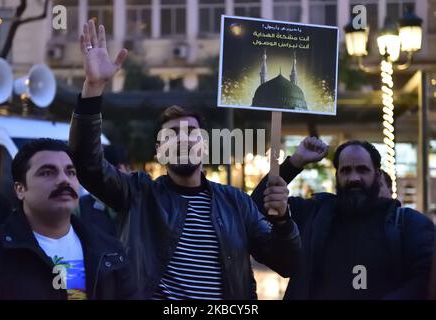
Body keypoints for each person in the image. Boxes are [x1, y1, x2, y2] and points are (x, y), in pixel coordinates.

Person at [69, 20, 301, 300]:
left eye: (191, 132)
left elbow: (286, 264)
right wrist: (93, 88)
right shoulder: (140, 194)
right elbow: (87, 163)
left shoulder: (236, 204)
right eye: (172, 134)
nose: (182, 139)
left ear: (204, 146)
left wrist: (283, 221)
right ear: (159, 150)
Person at [252, 139, 435, 299]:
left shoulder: (409, 225)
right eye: (346, 170)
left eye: (362, 170)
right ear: (337, 176)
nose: (354, 178)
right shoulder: (314, 213)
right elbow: (254, 208)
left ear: (377, 176)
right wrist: (294, 162)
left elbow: (424, 280)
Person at [0, 139, 135, 300]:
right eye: (47, 172)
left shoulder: (110, 252)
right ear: (20, 189)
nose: (64, 180)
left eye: (70, 172)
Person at [77, 145, 131, 237]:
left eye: (123, 167)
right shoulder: (81, 206)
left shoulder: (140, 203)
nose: (116, 176)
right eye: (110, 170)